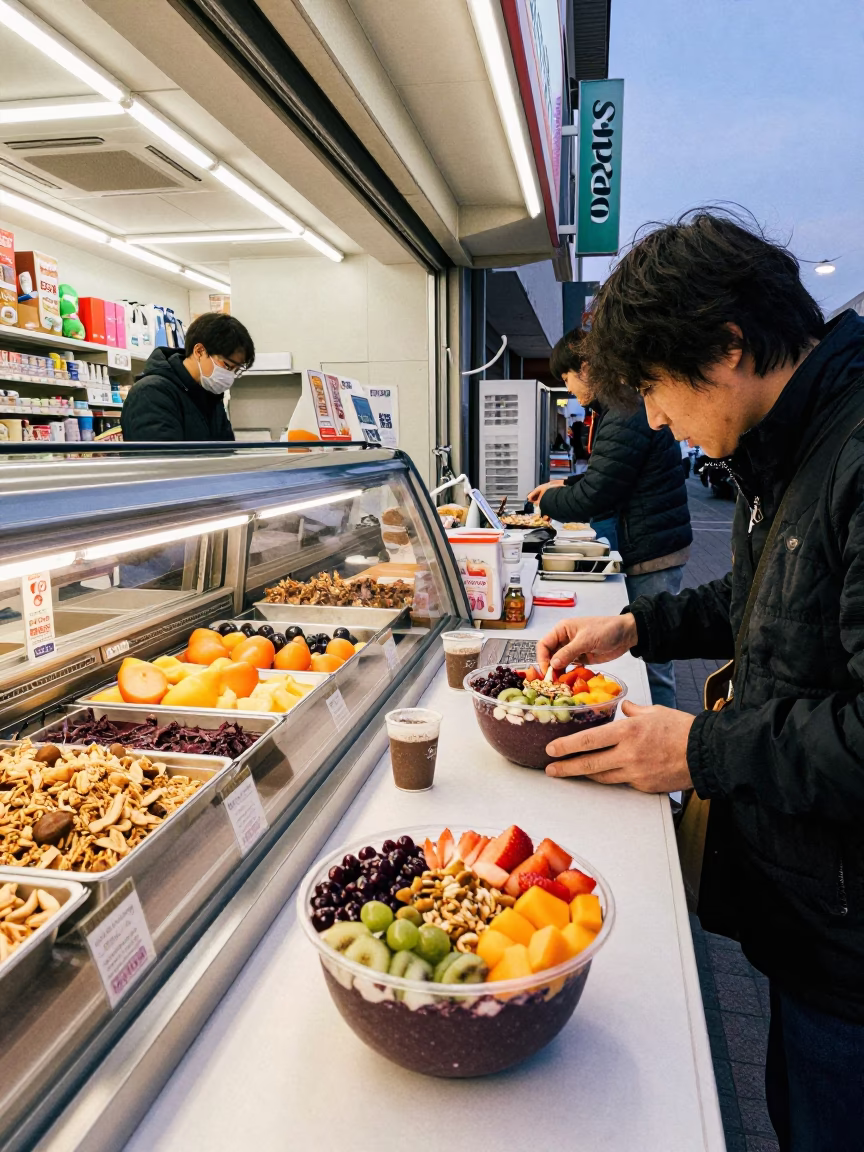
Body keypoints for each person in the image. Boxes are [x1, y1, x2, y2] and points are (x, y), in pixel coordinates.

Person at [535, 208, 864, 1152]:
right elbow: (769, 595)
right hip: (813, 924)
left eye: (656, 390)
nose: (658, 420)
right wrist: (638, 626)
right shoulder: (789, 444)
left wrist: (699, 748)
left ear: (727, 347)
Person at [528, 328, 692, 707]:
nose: (569, 389)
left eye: (567, 378)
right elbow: (612, 471)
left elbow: (598, 492)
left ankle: (661, 738)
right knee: (650, 647)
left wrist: (547, 506)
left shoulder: (624, 409)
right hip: (650, 543)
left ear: (585, 366)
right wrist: (564, 483)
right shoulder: (619, 405)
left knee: (652, 655)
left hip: (652, 550)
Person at [121, 312, 255, 441]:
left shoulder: (210, 397)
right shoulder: (151, 393)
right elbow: (159, 459)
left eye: (236, 370)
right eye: (227, 366)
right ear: (199, 351)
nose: (229, 375)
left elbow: (226, 453)